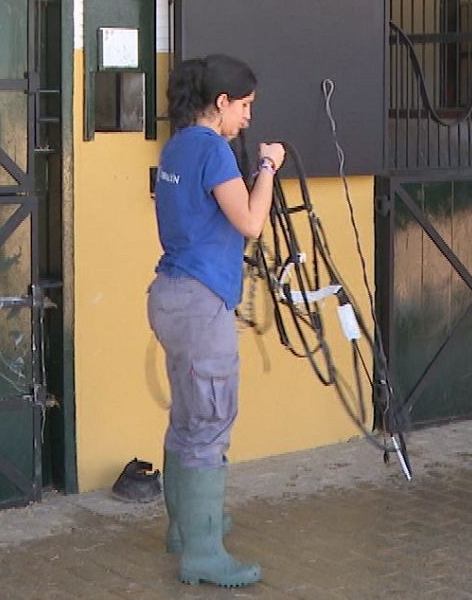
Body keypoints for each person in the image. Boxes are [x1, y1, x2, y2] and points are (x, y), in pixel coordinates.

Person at [149, 53, 284, 587]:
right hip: (203, 302)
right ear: (221, 103)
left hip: (170, 293)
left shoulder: (178, 144)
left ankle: (186, 528)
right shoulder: (213, 150)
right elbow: (251, 222)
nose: (249, 117)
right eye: (245, 106)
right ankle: (204, 555)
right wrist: (268, 168)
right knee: (209, 423)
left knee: (187, 417)